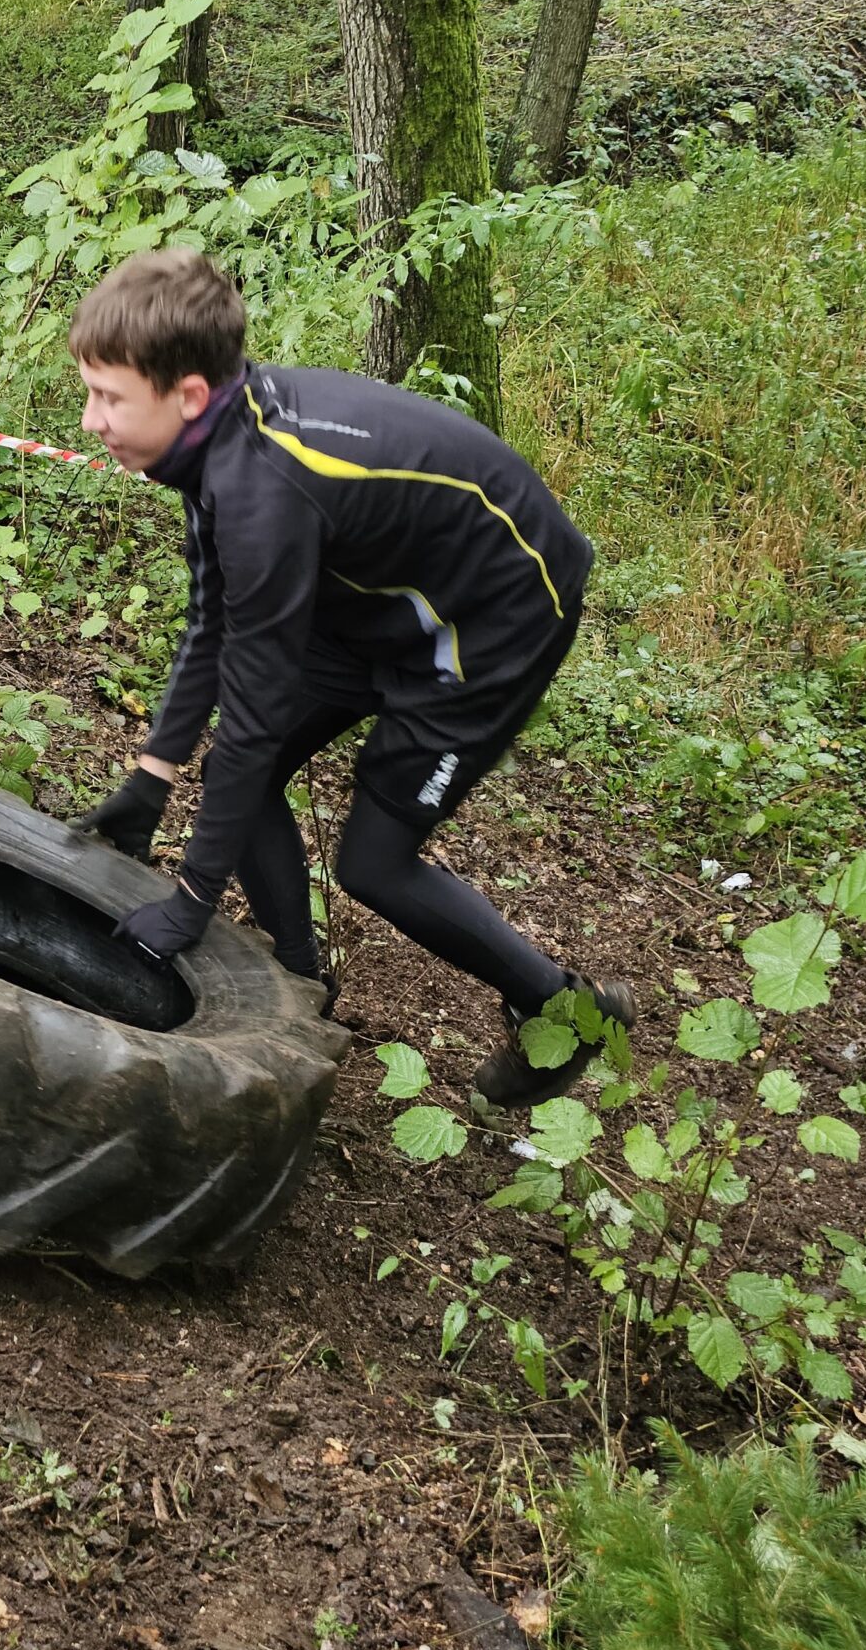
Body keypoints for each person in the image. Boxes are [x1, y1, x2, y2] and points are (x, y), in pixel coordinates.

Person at [62, 249, 632, 1108]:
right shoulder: (217, 433)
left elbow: (252, 712)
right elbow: (213, 617)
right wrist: (151, 776)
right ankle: (299, 988)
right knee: (236, 784)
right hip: (378, 587)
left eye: (108, 397)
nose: (88, 417)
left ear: (184, 393)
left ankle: (568, 1010)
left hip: (494, 613)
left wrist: (192, 897)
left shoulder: (266, 489)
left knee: (375, 860)